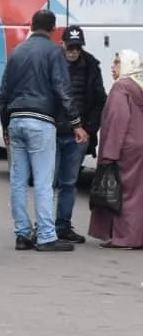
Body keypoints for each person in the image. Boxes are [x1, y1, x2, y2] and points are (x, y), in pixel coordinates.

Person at [0, 9, 87, 252]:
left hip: (16, 120)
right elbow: (62, 90)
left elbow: (3, 93)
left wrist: (5, 125)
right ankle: (46, 235)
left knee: (18, 180)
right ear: (52, 29)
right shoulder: (54, 52)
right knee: (43, 180)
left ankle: (22, 234)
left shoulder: (17, 52)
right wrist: (76, 124)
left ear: (31, 25)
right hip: (41, 121)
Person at [53, 25, 106, 243]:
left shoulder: (90, 65)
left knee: (69, 182)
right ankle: (45, 226)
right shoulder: (53, 62)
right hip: (54, 130)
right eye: (70, 46)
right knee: (49, 182)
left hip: (78, 135)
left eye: (77, 47)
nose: (73, 51)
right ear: (62, 44)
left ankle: (63, 225)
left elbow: (99, 100)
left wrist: (89, 129)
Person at [88, 49, 143, 248]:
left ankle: (124, 237)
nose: (113, 66)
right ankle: (136, 236)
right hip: (139, 147)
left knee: (123, 195)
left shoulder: (121, 89)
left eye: (117, 62)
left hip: (124, 148)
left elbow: (116, 121)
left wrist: (109, 154)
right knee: (137, 194)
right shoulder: (138, 86)